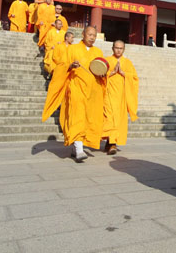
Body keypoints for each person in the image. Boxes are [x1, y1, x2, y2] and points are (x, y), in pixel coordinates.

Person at [41, 26, 106, 162]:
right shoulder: (72, 49)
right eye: (89, 34)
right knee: (77, 116)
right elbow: (61, 66)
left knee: (88, 118)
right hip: (76, 88)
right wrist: (70, 66)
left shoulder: (98, 52)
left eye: (94, 35)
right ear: (83, 34)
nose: (92, 37)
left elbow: (102, 69)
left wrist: (104, 73)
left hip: (92, 91)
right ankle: (79, 150)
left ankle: (76, 146)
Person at [102, 40, 139, 155]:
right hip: (108, 95)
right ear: (112, 48)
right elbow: (100, 75)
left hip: (121, 97)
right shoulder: (107, 61)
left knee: (117, 120)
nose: (118, 50)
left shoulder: (127, 63)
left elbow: (134, 78)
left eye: (121, 48)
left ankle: (111, 142)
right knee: (109, 118)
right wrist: (111, 72)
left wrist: (123, 73)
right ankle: (111, 143)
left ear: (124, 49)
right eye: (116, 48)